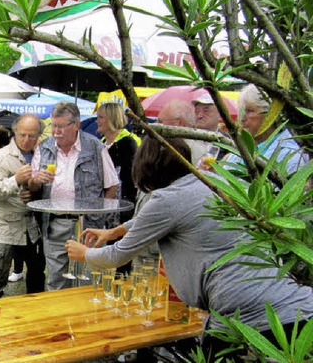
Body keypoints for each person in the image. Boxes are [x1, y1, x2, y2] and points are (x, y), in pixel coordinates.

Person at [65, 137, 313, 357]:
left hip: (247, 315)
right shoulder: (212, 181)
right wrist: (115, 231)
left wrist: (84, 253)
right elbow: (160, 217)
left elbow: (115, 256)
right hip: (298, 304)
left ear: (146, 168)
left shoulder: (166, 199)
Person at [29, 101, 119, 290]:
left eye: (61, 126)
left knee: (87, 280)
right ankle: (59, 318)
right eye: (53, 126)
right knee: (56, 280)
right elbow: (32, 187)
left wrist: (102, 221)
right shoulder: (44, 147)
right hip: (55, 224)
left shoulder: (95, 147)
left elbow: (111, 186)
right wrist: (36, 179)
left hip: (88, 226)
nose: (56, 132)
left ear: (76, 124)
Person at [0, 114, 45, 298]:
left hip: (31, 229)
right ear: (15, 133)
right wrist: (15, 181)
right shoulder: (0, 158)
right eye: (23, 135)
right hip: (4, 229)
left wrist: (34, 192)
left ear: (39, 136)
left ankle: (34, 319)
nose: (27, 140)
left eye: (32, 136)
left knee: (36, 277)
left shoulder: (41, 155)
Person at [225, 84, 308, 174]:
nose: (241, 117)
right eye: (240, 111)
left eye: (249, 111)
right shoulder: (241, 148)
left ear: (270, 115)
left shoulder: (290, 154)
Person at [96, 102, 139, 222]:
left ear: (112, 118)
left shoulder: (128, 142)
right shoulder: (101, 143)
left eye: (101, 117)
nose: (97, 121)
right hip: (105, 201)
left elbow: (131, 178)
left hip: (122, 204)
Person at [157, 99, 208, 165]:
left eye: (160, 121)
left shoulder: (193, 153)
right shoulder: (201, 150)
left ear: (180, 123)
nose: (157, 124)